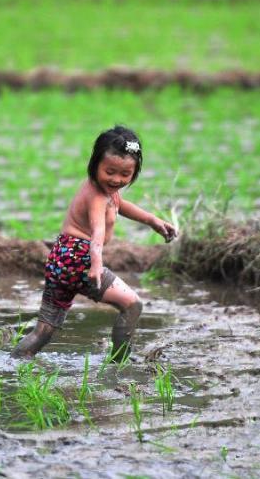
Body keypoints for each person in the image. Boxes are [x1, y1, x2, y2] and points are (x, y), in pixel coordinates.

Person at [12, 125, 177, 361]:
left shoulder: (104, 189)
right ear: (95, 164)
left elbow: (120, 204)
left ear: (135, 172)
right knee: (132, 305)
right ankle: (119, 363)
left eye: (125, 174)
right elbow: (98, 232)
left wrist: (152, 220)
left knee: (45, 328)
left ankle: (15, 361)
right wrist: (96, 264)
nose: (116, 179)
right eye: (110, 171)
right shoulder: (98, 196)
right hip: (81, 258)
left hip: (61, 258)